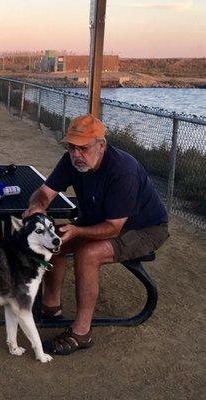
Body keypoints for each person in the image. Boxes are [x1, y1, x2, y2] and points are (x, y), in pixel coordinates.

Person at [23, 114, 169, 355]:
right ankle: (51, 308)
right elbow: (45, 192)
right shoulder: (71, 161)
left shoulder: (123, 170)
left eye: (83, 148)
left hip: (143, 228)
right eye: (71, 147)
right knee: (52, 240)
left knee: (88, 253)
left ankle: (81, 333)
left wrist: (78, 230)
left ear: (101, 145)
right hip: (102, 221)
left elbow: (113, 228)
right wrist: (37, 206)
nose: (76, 154)